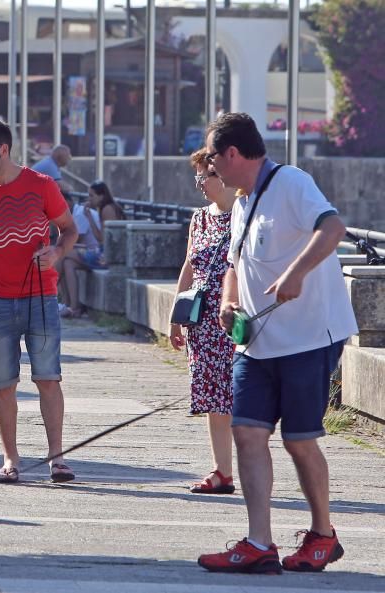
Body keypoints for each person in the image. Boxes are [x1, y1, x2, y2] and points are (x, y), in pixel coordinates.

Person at [197, 113, 357, 574]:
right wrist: (229, 304)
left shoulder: (291, 182)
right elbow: (234, 264)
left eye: (212, 159)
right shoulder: (242, 201)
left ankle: (323, 534)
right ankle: (258, 542)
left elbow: (333, 229)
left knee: (299, 440)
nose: (210, 170)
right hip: (257, 342)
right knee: (247, 433)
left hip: (308, 337)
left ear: (233, 154)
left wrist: (295, 273)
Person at [0, 118, 79, 484]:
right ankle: (10, 458)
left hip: (41, 296)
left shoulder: (42, 186)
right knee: (2, 383)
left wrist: (56, 253)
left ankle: (58, 459)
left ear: (3, 149)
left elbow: (69, 229)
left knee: (48, 378)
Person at [169, 148, 238, 497]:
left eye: (204, 176)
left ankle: (252, 466)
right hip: (201, 323)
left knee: (241, 396)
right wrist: (175, 318)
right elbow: (188, 265)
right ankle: (222, 471)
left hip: (235, 321)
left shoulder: (244, 214)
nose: (199, 183)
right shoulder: (199, 218)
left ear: (222, 175)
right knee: (212, 398)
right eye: (196, 176)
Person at [56, 180, 123, 317]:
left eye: (92, 196)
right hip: (102, 252)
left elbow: (103, 239)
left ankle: (55, 298)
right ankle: (72, 306)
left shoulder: (107, 209)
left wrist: (88, 217)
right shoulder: (101, 210)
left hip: (106, 256)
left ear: (102, 196)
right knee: (68, 263)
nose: (89, 199)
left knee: (64, 254)